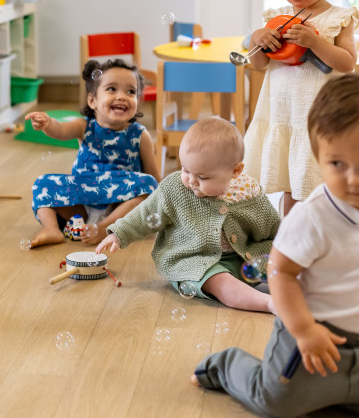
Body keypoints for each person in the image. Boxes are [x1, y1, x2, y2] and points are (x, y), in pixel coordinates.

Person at [192, 74, 359, 416]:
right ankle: (226, 366)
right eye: (337, 163)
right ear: (318, 156)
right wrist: (303, 328)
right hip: (312, 332)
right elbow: (280, 271)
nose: (353, 179)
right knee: (277, 403)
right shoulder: (314, 216)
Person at [97, 117, 279, 314]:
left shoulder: (247, 191)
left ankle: (302, 292)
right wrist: (119, 233)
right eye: (185, 169)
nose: (191, 180)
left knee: (285, 264)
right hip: (194, 261)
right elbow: (145, 213)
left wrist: (287, 251)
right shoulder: (175, 188)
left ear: (235, 171)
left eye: (203, 177)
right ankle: (268, 303)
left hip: (243, 255)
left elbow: (271, 224)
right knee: (220, 283)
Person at [243, 0, 358, 216]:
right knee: (291, 187)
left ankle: (327, 243)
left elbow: (347, 64)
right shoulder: (276, 19)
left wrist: (315, 42)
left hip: (319, 121)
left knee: (324, 186)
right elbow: (258, 64)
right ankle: (290, 244)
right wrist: (258, 39)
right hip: (285, 116)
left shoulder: (339, 18)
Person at [27, 58, 159, 248]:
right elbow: (61, 130)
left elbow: (153, 177)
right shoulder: (84, 126)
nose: (122, 96)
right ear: (92, 100)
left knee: (149, 185)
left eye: (131, 91)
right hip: (82, 200)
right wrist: (48, 124)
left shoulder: (140, 135)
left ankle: (105, 227)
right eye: (112, 89)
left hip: (119, 206)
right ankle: (51, 228)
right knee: (42, 183)